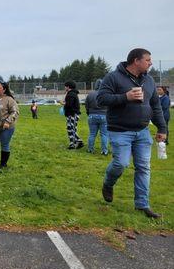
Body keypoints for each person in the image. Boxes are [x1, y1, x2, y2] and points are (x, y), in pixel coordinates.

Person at [98, 48, 167, 218]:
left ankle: (142, 205)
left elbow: (156, 107)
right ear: (136, 61)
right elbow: (101, 99)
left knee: (144, 167)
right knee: (121, 163)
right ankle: (108, 183)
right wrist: (125, 97)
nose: (150, 63)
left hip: (143, 131)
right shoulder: (113, 78)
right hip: (120, 131)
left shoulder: (149, 81)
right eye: (148, 60)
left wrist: (162, 128)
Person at [85, 79, 108, 155]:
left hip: (92, 115)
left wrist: (89, 113)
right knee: (104, 134)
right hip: (104, 116)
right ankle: (104, 151)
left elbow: (86, 106)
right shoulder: (106, 94)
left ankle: (90, 149)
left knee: (92, 134)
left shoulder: (90, 94)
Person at [64, 80, 84, 149]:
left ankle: (79, 141)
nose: (64, 88)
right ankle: (72, 144)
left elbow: (69, 104)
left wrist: (64, 104)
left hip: (72, 114)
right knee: (69, 128)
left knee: (72, 129)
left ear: (68, 87)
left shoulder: (71, 94)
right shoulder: (70, 93)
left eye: (65, 86)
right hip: (70, 114)